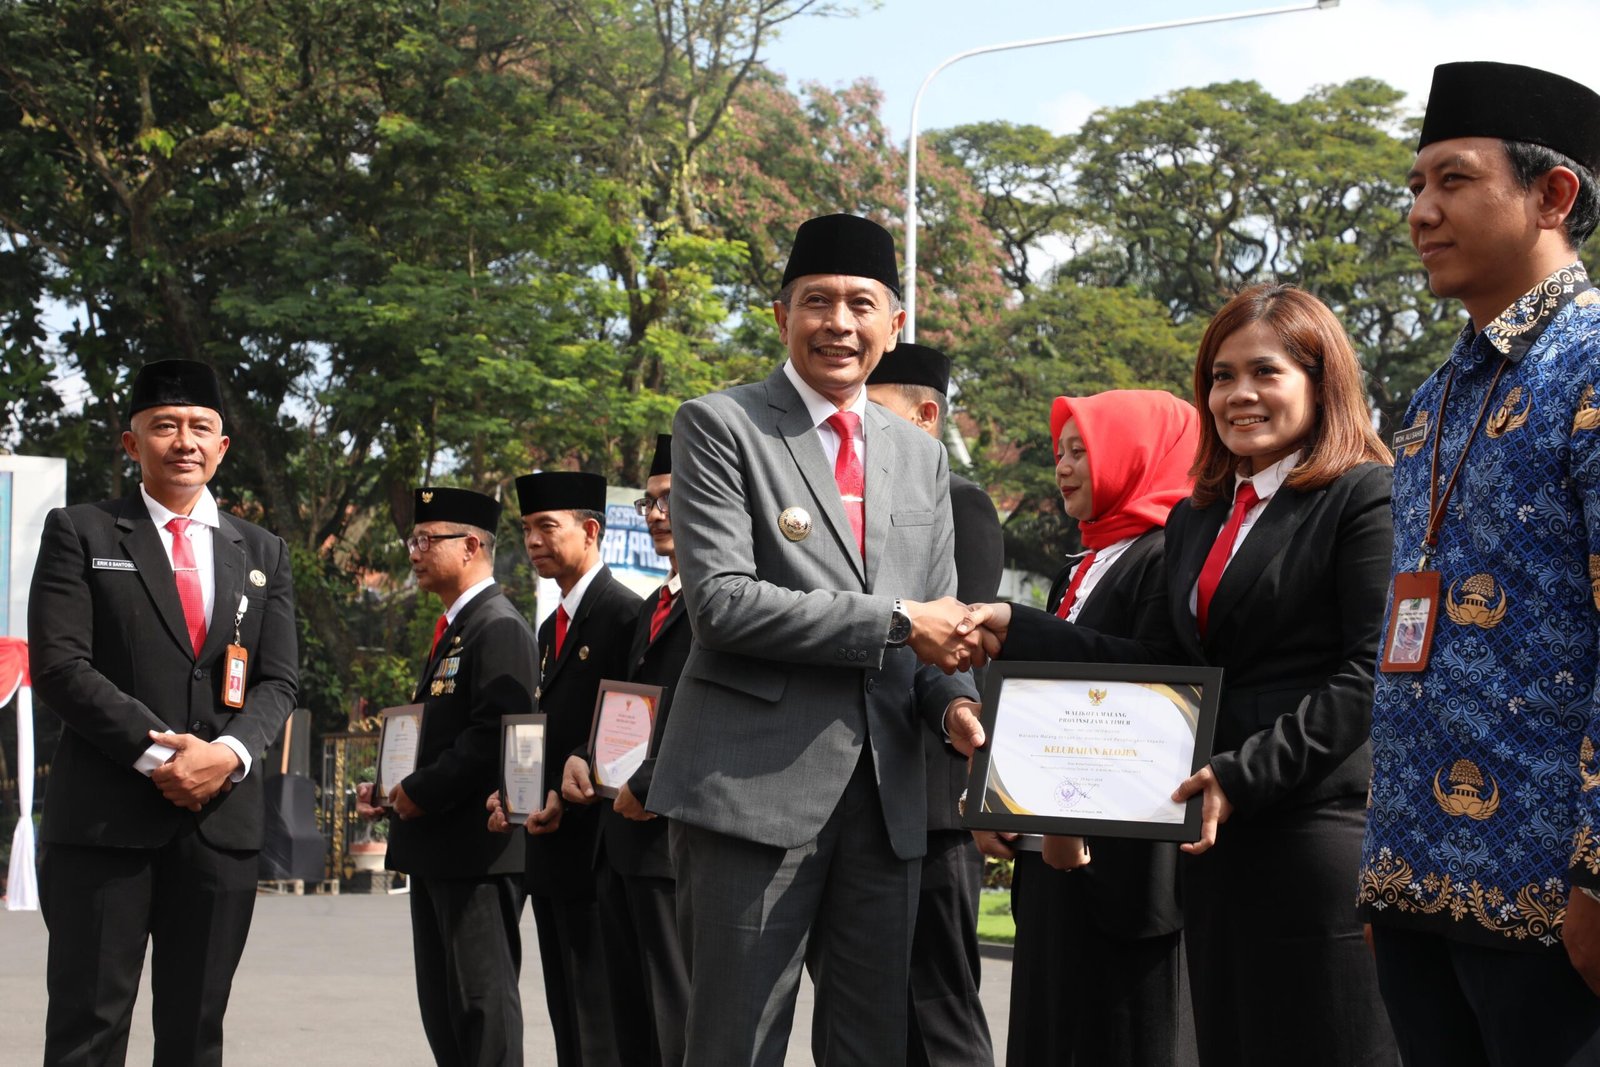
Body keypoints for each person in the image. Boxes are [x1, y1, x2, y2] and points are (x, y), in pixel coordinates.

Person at [960, 285, 1397, 1066]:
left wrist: (1241, 774)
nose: (1238, 394)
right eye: (1220, 377)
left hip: (1313, 833)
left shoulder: (1363, 496)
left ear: (1320, 379)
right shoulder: (1202, 514)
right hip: (1215, 844)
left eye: (1264, 372)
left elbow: (1369, 676)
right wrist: (1014, 627)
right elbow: (1164, 674)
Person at [648, 212, 986, 1066]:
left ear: (894, 324)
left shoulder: (922, 455)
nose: (839, 322)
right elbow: (721, 604)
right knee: (734, 1042)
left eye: (861, 304)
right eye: (817, 302)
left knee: (868, 1044)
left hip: (887, 799)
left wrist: (955, 704)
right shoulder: (720, 425)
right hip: (749, 796)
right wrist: (902, 622)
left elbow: (941, 612)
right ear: (781, 315)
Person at [1357, 61, 1600, 1065]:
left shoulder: (1592, 366)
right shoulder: (1426, 403)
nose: (1420, 212)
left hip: (1554, 907)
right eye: (1413, 187)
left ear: (1553, 195)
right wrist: (1385, 865)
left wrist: (1597, 878)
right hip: (1414, 889)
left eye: (1452, 181)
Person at [28, 358, 299, 1066]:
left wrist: (229, 756)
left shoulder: (262, 549)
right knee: (88, 1030)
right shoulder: (81, 532)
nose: (185, 441)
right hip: (104, 830)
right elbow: (59, 666)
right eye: (165, 426)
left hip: (219, 830)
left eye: (200, 427)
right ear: (131, 442)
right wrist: (163, 756)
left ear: (222, 446)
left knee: (195, 1035)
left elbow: (278, 680)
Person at [979, 390, 1197, 1066]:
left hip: (1123, 870)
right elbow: (1048, 702)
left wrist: (1026, 628)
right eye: (1060, 453)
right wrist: (1001, 796)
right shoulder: (1083, 563)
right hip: (1052, 856)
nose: (1065, 468)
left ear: (1135, 455)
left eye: (1083, 451)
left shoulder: (1164, 557)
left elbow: (1157, 684)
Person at [354, 486, 535, 1067]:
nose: (414, 551)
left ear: (472, 546)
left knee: (482, 1007)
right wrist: (389, 790)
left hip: (475, 850)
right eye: (413, 539)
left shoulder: (497, 626)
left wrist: (420, 791)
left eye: (427, 540)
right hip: (439, 846)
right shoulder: (457, 629)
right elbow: (438, 734)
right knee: (445, 1010)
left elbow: (493, 735)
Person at [865, 342, 1000, 1067]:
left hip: (932, 803)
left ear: (924, 416)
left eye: (875, 417)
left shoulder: (960, 504)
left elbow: (953, 638)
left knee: (939, 1013)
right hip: (865, 803)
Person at [560, 433, 692, 1067]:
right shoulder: (650, 610)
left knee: (679, 1020)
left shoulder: (724, 608)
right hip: (619, 844)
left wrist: (655, 780)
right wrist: (585, 755)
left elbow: (713, 721)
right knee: (628, 1021)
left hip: (673, 848)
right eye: (650, 501)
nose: (658, 513)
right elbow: (624, 709)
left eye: (672, 498)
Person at [512, 470, 641, 1067]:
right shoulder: (548, 628)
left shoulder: (623, 616)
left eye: (546, 527)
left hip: (598, 846)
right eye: (526, 530)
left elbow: (625, 729)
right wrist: (509, 792)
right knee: (566, 1013)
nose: (534, 541)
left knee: (601, 1017)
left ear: (591, 530)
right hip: (550, 840)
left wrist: (579, 777)